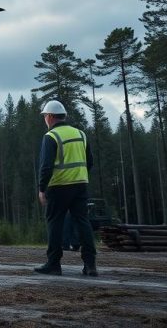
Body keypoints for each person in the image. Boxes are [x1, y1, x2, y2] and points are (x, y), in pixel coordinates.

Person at [34, 100, 98, 277]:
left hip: (59, 186)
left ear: (50, 117)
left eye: (45, 116)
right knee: (83, 222)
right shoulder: (81, 134)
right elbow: (89, 161)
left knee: (55, 223)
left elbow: (46, 166)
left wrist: (41, 188)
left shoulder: (51, 136)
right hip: (80, 185)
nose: (45, 120)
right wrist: (79, 177)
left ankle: (53, 264)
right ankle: (90, 265)